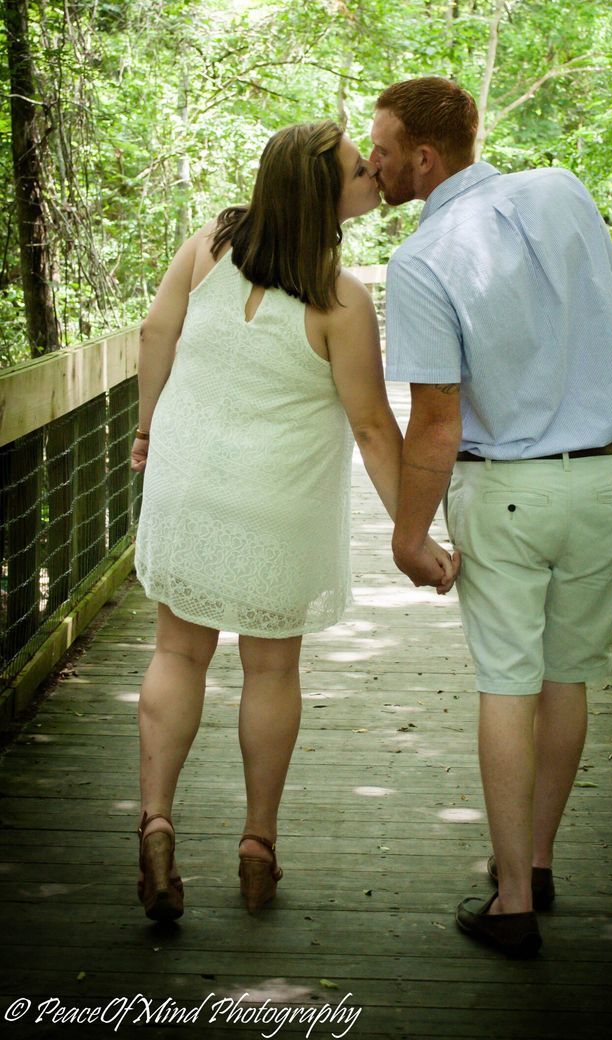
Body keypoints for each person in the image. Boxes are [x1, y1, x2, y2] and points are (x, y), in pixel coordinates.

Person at [130, 119, 457, 923]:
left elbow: (153, 334)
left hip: (187, 484)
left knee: (178, 652)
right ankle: (257, 845)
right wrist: (411, 533)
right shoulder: (339, 297)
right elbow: (374, 428)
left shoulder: (211, 241)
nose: (372, 178)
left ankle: (157, 821)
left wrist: (144, 430)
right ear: (322, 191)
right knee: (271, 671)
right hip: (276, 504)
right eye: (358, 170)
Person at [369, 77, 612, 958]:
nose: (370, 165)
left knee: (507, 681)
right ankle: (537, 859)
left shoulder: (420, 261)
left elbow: (437, 419)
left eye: (380, 150)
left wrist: (408, 536)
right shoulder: (563, 191)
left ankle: (513, 903)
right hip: (596, 483)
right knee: (566, 677)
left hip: (506, 493)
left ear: (425, 156)